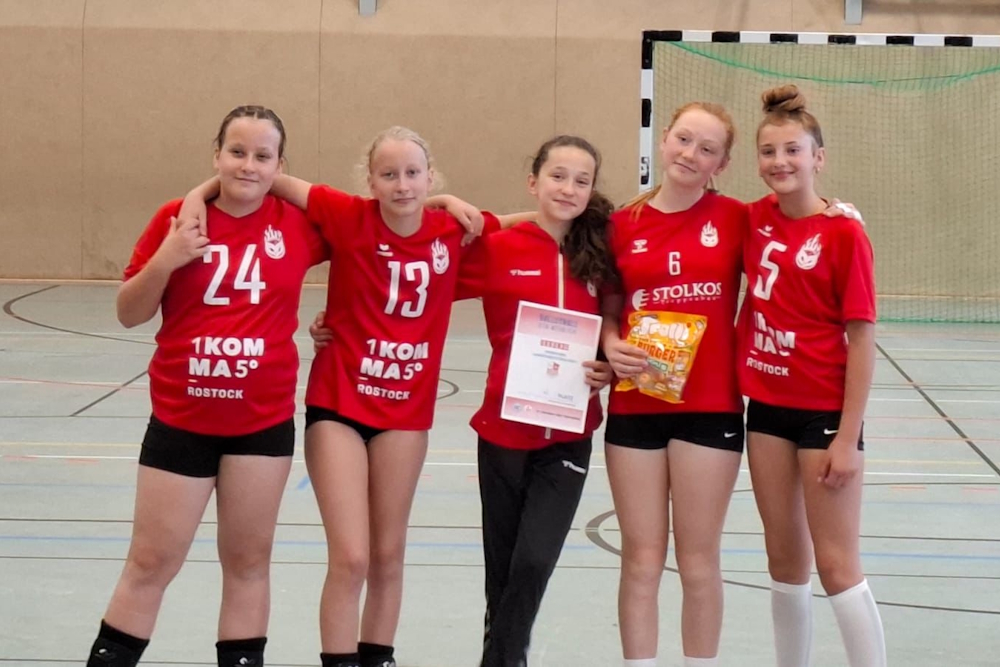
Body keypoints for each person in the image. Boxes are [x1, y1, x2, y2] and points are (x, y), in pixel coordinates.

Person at [181, 125, 500, 667]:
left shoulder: (452, 230)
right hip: (340, 405)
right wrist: (196, 195)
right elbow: (270, 178)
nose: (402, 184)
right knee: (352, 556)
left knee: (388, 554)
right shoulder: (348, 216)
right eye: (388, 174)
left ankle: (379, 656)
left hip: (405, 414)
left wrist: (447, 203)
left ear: (431, 177)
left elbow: (527, 227)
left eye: (413, 174)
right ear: (369, 182)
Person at [602, 101, 862, 667]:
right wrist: (608, 339)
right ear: (664, 140)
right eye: (683, 139)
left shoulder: (738, 218)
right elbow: (610, 304)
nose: (690, 154)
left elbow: (799, 218)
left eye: (707, 149)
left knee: (698, 563)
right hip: (635, 408)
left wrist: (837, 213)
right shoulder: (621, 223)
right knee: (640, 561)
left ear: (721, 164)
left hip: (710, 410)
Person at [85, 105, 329, 667]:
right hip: (182, 421)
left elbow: (375, 227)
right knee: (150, 562)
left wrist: (441, 202)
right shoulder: (177, 218)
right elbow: (129, 313)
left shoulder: (298, 223)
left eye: (263, 156)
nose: (248, 165)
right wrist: (167, 259)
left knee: (248, 564)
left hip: (261, 426)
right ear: (215, 155)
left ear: (281, 166)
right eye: (236, 152)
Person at [739, 84, 885, 667]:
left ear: (818, 157)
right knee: (784, 561)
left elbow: (863, 339)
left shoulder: (844, 233)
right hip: (766, 411)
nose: (781, 161)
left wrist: (848, 438)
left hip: (824, 414)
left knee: (836, 564)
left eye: (793, 150)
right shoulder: (752, 219)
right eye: (769, 151)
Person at [456, 135, 616, 667]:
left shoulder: (600, 256)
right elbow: (419, 285)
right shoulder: (498, 249)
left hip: (569, 435)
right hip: (502, 433)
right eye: (557, 176)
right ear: (534, 182)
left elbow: (619, 324)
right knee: (501, 567)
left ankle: (501, 657)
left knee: (533, 562)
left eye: (581, 181)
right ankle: (506, 657)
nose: (568, 188)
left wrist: (607, 364)